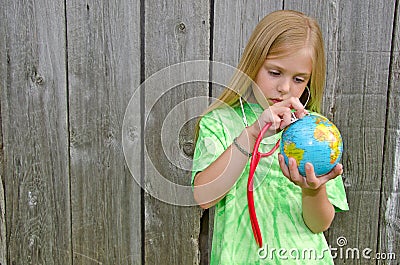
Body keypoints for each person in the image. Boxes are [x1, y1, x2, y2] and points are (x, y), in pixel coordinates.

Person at [191, 10, 349, 264]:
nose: (285, 88)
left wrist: (312, 191)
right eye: (275, 73)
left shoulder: (315, 136)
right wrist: (252, 133)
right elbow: (204, 197)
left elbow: (319, 224)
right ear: (253, 65)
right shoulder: (220, 123)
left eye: (299, 79)